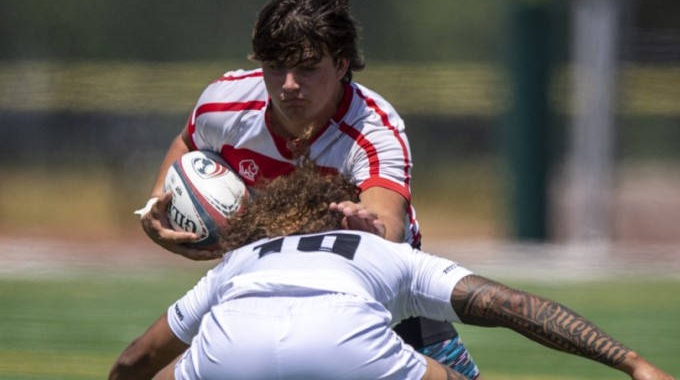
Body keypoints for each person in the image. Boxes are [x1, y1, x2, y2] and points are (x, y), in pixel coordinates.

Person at [136, 0, 479, 378]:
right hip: (262, 289)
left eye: (308, 68)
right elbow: (187, 142)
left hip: (375, 295)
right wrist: (155, 209)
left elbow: (389, 225)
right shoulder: (225, 104)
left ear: (341, 63)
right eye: (275, 66)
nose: (289, 84)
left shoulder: (373, 129)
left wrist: (371, 230)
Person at [112, 161, 674, 380]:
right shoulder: (380, 251)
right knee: (450, 373)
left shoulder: (241, 259)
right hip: (342, 344)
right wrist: (631, 362)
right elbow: (513, 307)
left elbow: (136, 357)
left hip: (234, 352)